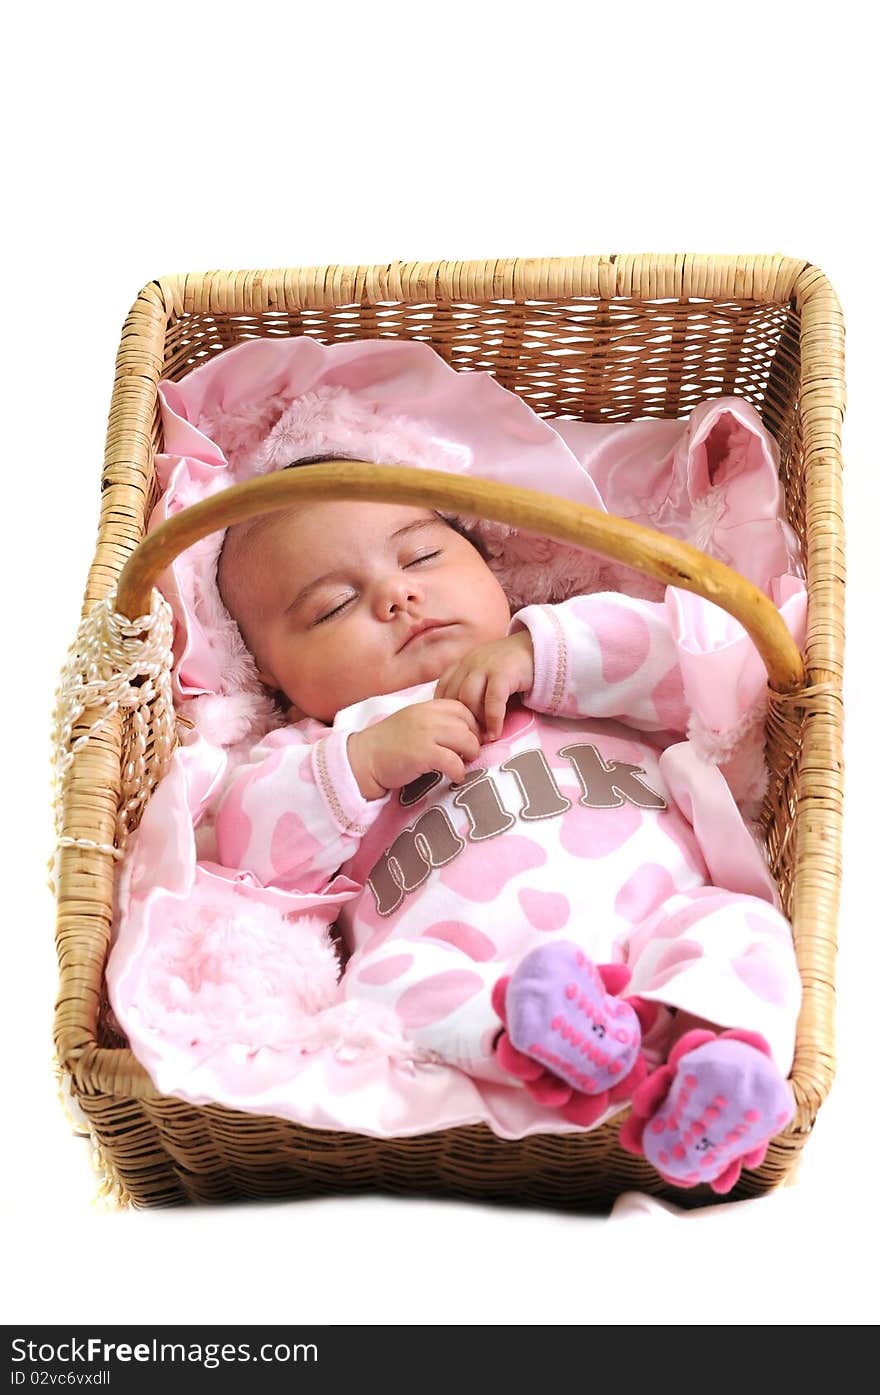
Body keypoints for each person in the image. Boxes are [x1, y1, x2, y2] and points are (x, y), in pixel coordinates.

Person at [213, 466, 798, 1194]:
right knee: (380, 987)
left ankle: (725, 1060)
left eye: (421, 557)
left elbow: (700, 668)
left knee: (740, 927)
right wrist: (362, 761)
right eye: (333, 607)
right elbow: (247, 846)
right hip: (467, 962)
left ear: (488, 566)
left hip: (657, 907)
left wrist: (538, 653)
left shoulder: (561, 649)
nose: (398, 595)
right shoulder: (323, 745)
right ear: (274, 679)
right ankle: (530, 1038)